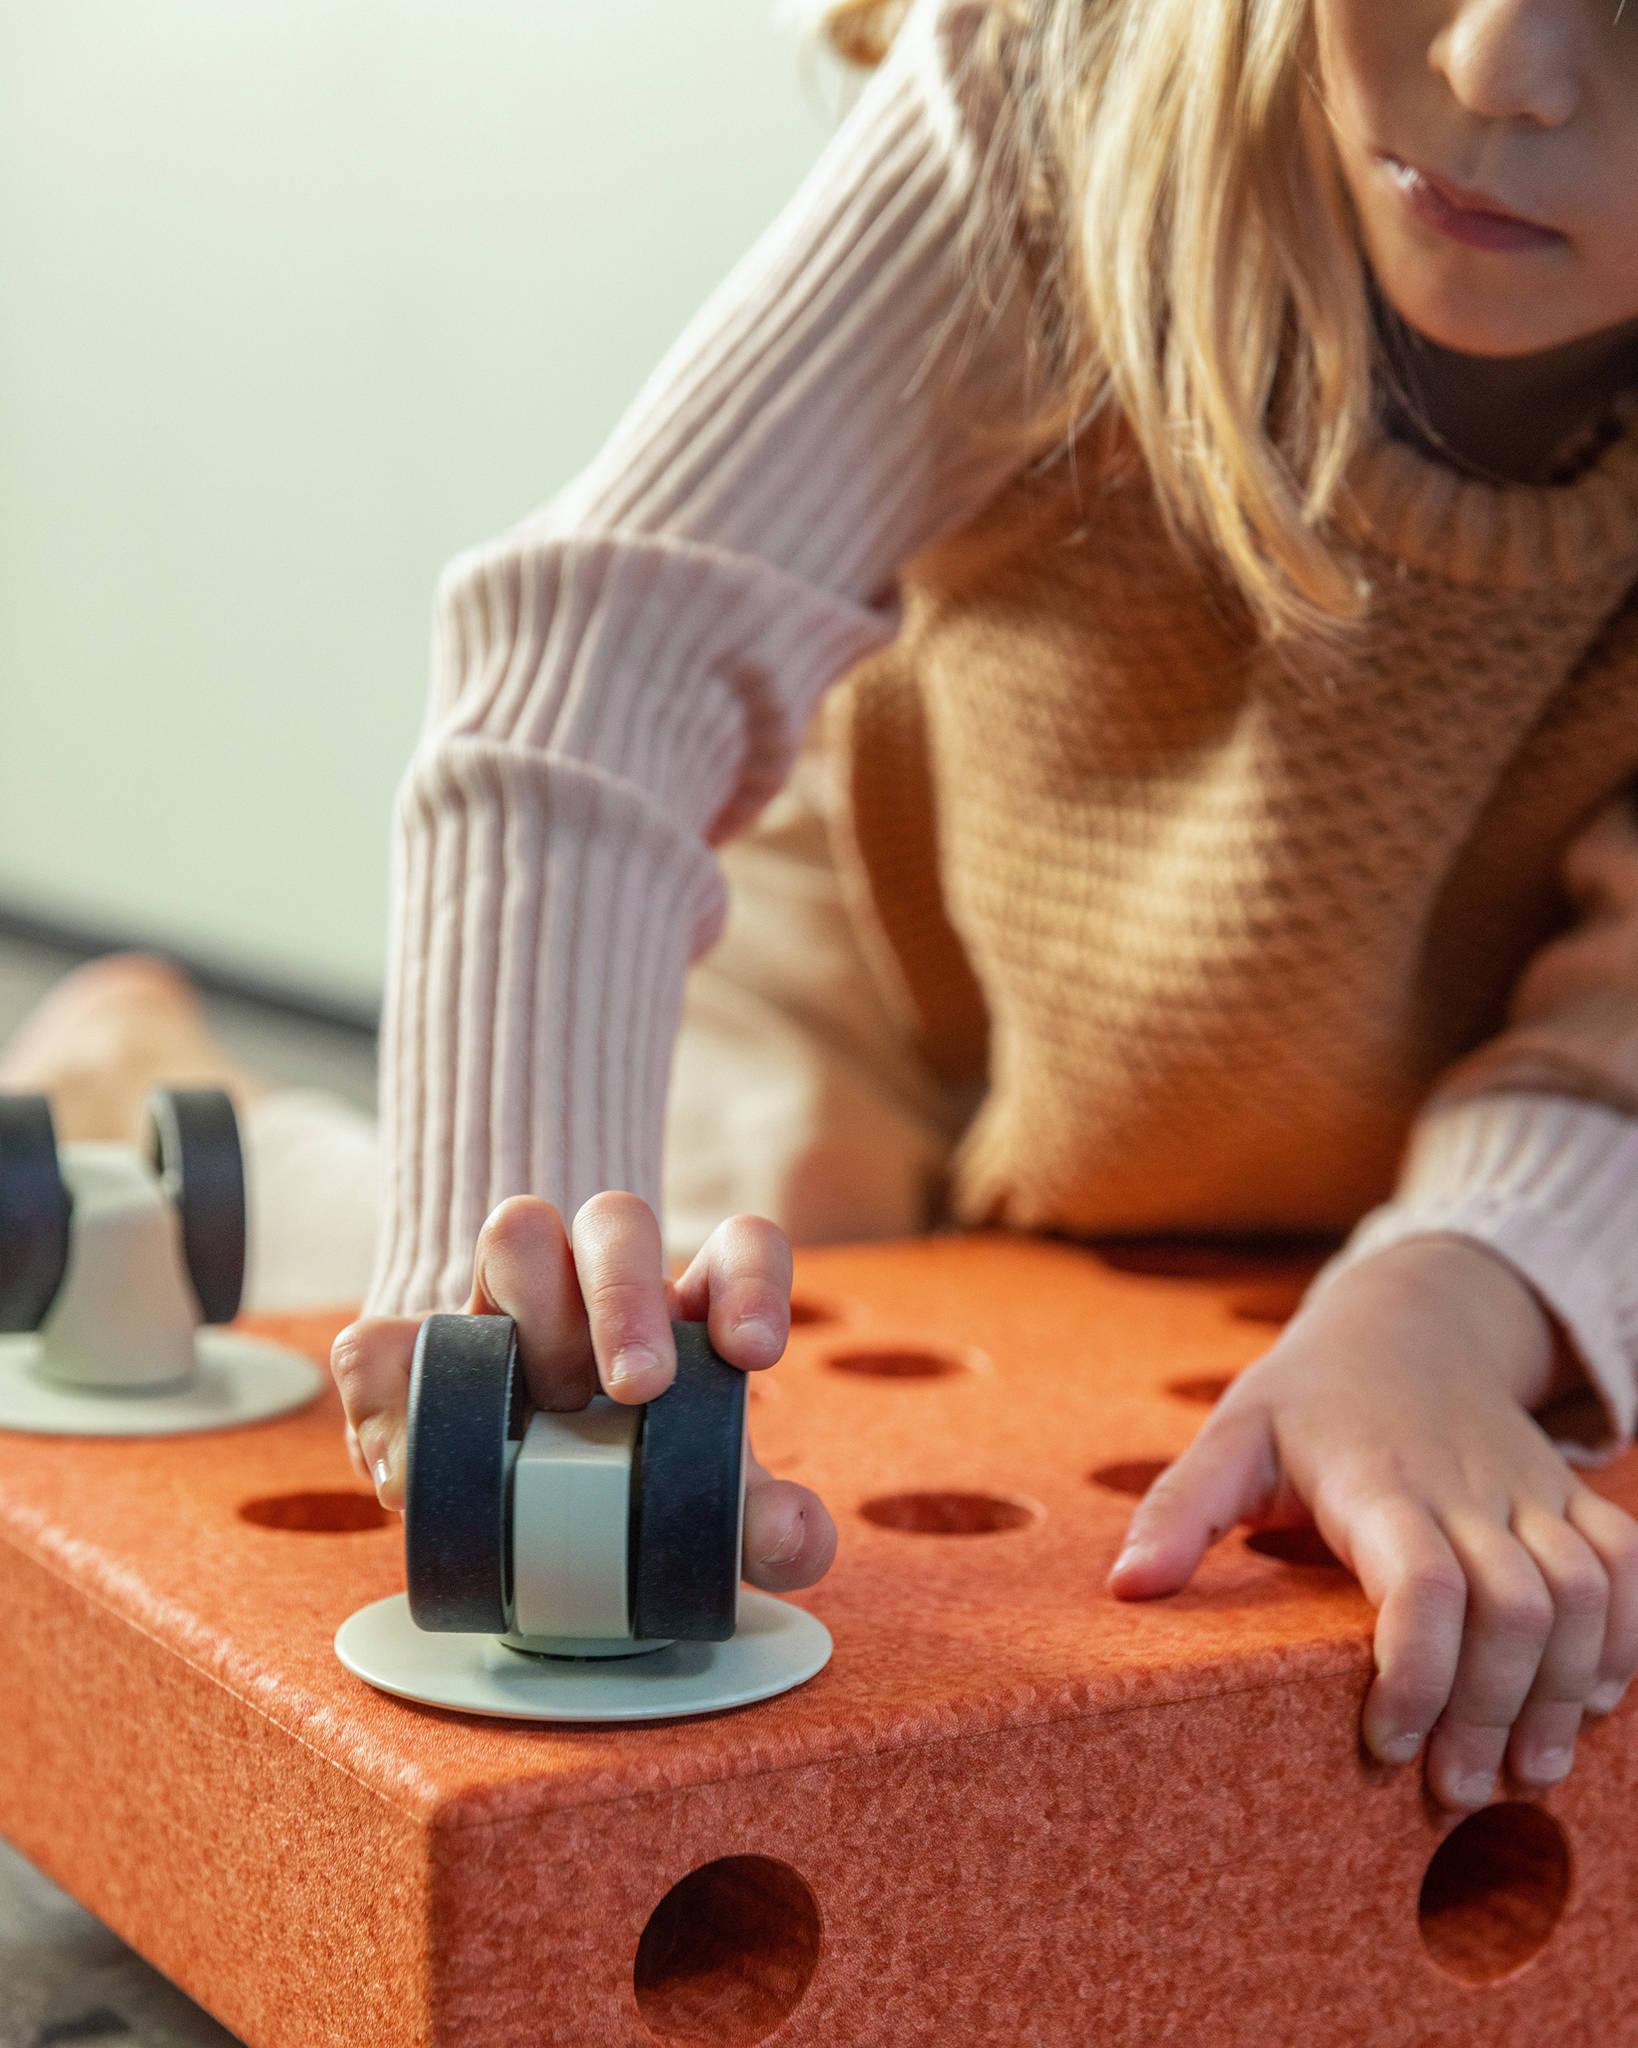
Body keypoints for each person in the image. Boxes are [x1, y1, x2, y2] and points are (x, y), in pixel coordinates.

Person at [10, 0, 1638, 1817]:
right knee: (696, 1303)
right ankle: (148, 1091)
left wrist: (1456, 1288)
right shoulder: (1064, 80)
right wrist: (508, 1293)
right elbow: (603, 662)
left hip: (1377, 1143)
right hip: (869, 994)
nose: (1497, 69)